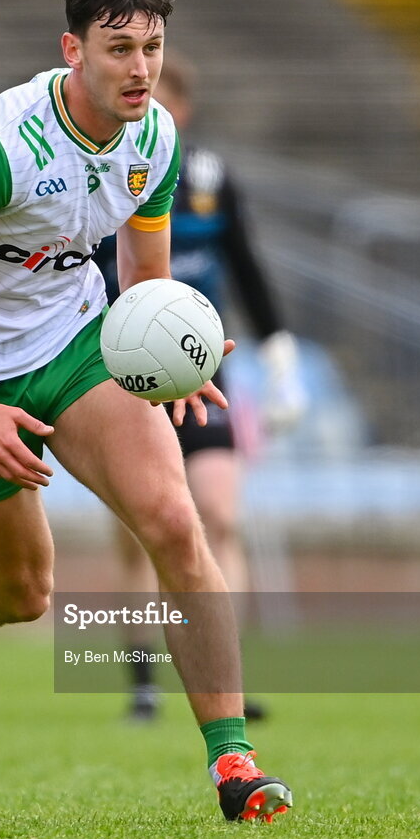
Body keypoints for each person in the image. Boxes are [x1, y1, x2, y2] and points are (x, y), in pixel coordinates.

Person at [0, 0, 292, 824]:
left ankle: (235, 767)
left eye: (152, 47)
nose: (140, 69)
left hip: (77, 345)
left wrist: (179, 353)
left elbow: (143, 277)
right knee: (23, 593)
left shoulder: (156, 139)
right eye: (119, 48)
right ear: (73, 50)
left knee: (179, 522)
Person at [94, 55, 307, 721]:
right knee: (141, 533)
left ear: (180, 111)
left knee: (220, 516)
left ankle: (225, 678)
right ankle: (143, 681)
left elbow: (245, 267)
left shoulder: (213, 179)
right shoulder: (107, 178)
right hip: (126, 372)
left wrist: (280, 359)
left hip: (203, 369)